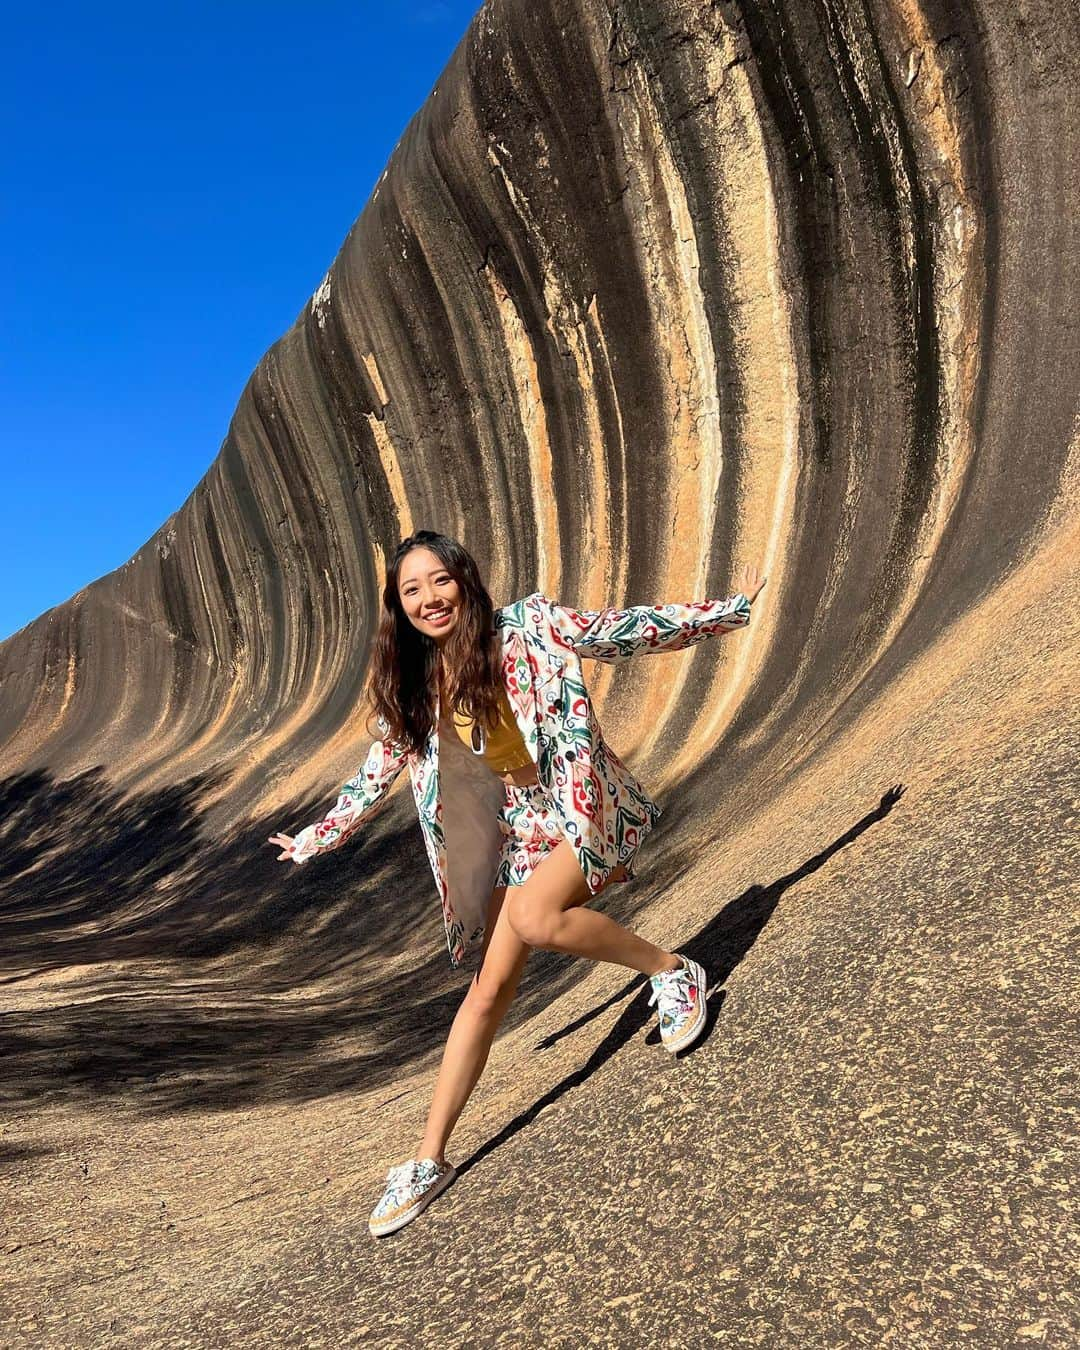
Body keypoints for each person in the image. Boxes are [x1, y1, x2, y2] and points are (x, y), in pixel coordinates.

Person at [268, 530, 767, 1237]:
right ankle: (428, 1159)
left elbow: (624, 630)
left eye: (438, 581)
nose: (429, 599)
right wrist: (316, 837)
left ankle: (673, 971)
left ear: (464, 580)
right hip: (519, 835)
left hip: (579, 806)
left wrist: (730, 611)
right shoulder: (416, 691)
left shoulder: (531, 626)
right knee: (487, 993)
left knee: (533, 918)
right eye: (412, 590)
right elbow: (373, 774)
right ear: (398, 607)